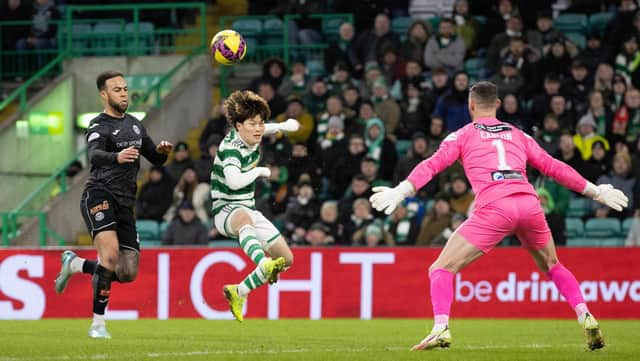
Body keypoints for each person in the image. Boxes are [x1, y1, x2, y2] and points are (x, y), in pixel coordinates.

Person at [370, 81, 628, 351]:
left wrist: (402, 190)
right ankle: (584, 314)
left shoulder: (462, 135)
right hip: (529, 204)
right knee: (552, 264)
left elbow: (432, 165)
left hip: (495, 208)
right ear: (497, 104)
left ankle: (441, 328)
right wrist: (595, 191)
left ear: (471, 105)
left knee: (441, 268)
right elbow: (553, 166)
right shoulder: (519, 135)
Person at [53, 71, 174, 338]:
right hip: (99, 194)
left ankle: (75, 265)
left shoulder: (135, 124)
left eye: (125, 88)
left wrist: (162, 152)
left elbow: (155, 158)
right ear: (104, 94)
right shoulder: (98, 125)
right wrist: (116, 157)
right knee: (109, 257)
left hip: (125, 202)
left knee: (128, 272)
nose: (123, 93)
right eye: (117, 89)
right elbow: (94, 155)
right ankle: (98, 325)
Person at [212, 90, 300, 322]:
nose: (259, 128)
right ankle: (263, 264)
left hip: (248, 208)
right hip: (225, 210)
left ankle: (239, 291)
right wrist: (259, 171)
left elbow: (264, 128)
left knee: (287, 259)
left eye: (261, 123)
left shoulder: (252, 132)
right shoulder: (231, 149)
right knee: (244, 219)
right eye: (253, 124)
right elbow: (233, 181)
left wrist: (283, 125)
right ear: (238, 126)